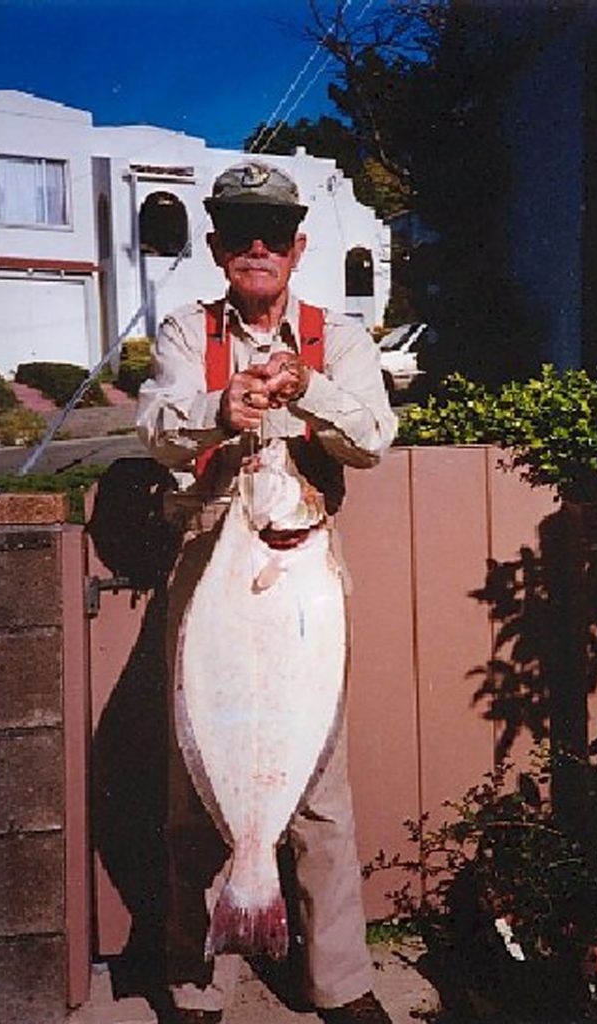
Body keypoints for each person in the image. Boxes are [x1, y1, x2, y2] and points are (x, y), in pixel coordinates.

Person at [136, 159, 397, 1024]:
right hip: (210, 568)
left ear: (297, 247)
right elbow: (155, 427)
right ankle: (196, 979)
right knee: (198, 784)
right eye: (240, 231)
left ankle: (340, 983)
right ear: (216, 247)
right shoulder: (185, 331)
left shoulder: (338, 337)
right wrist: (221, 408)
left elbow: (373, 437)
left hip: (302, 572)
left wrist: (307, 389)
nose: (259, 246)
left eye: (275, 233)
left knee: (318, 786)